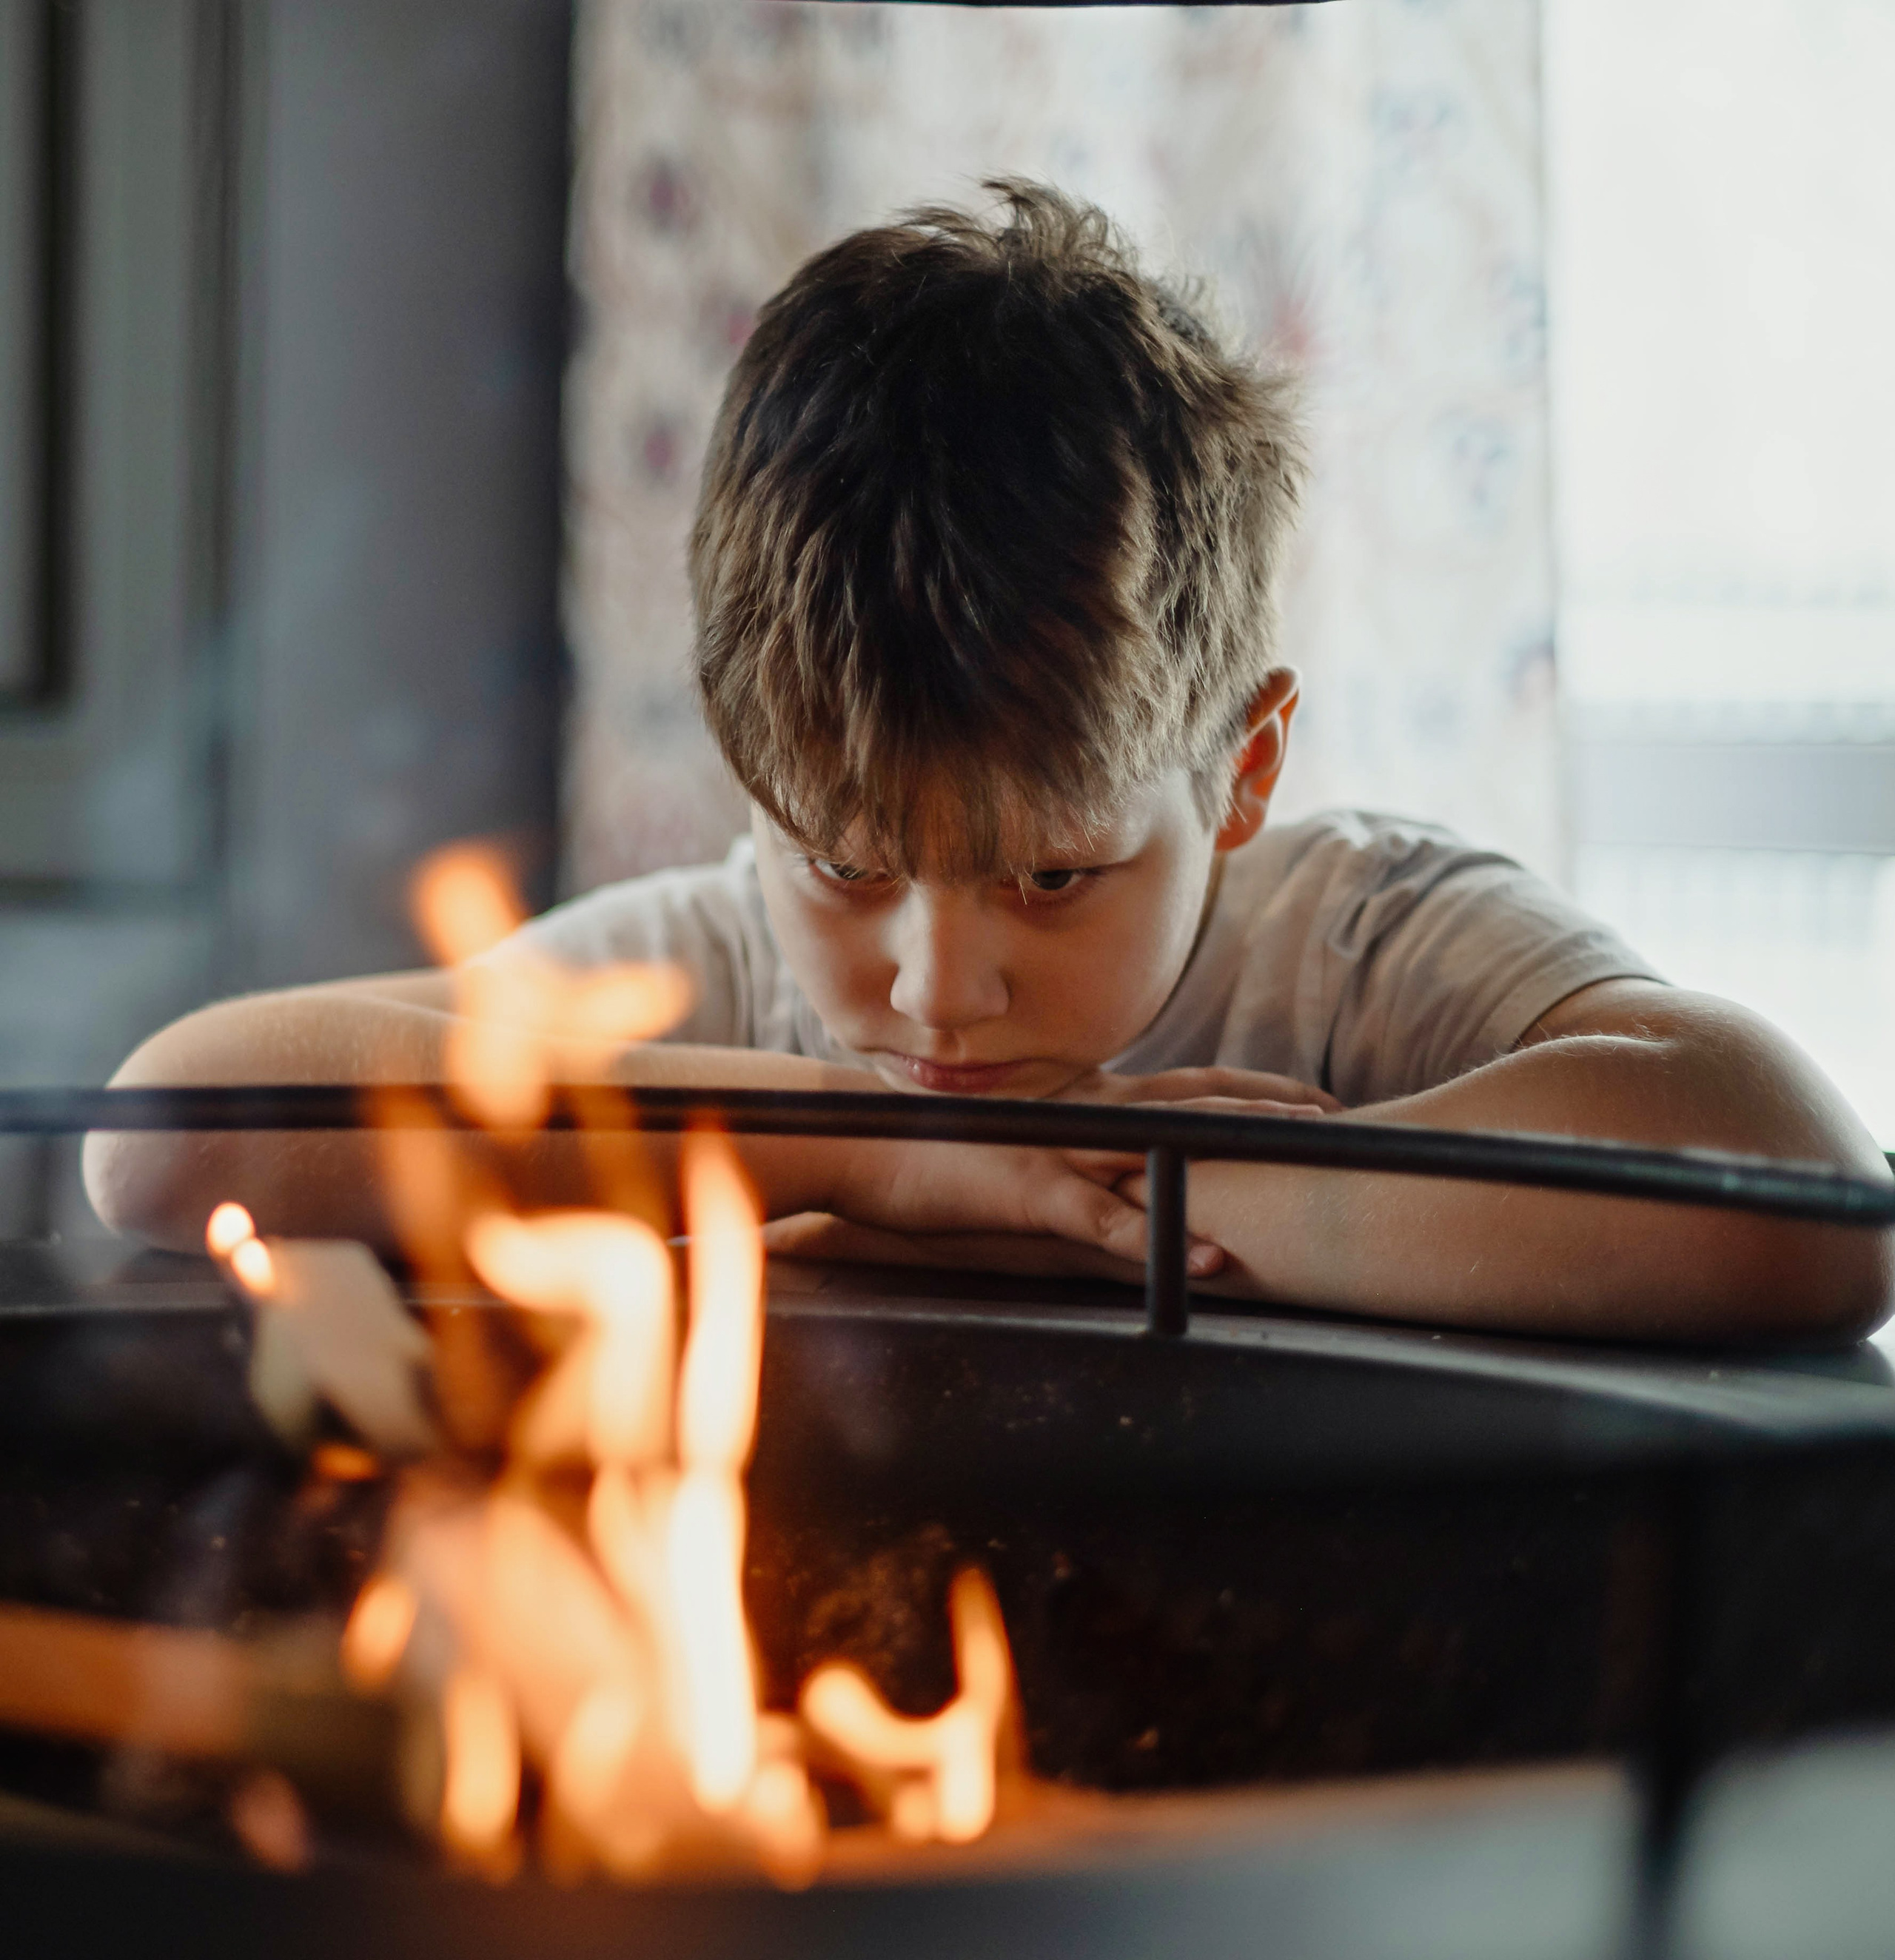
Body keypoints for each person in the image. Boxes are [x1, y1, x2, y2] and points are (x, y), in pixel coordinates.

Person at [87, 181, 1891, 1345]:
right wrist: (881, 1159)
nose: (934, 992)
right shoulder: (713, 969)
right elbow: (167, 1147)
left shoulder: (1355, 944)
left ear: (1239, 771)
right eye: (846, 864)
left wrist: (1123, 1203)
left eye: (1050, 876)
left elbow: (1800, 1209)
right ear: (752, 782)